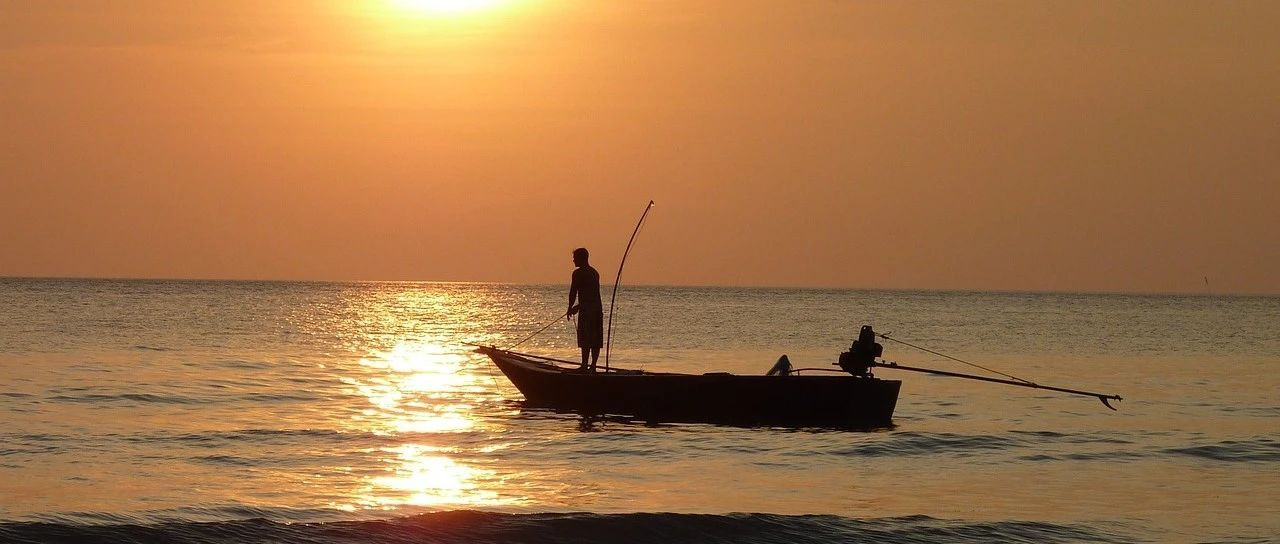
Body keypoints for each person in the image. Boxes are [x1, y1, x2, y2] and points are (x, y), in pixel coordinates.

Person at [567, 247, 604, 371]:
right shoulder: (594, 272)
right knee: (595, 339)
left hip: (587, 310)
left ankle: (584, 365)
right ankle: (592, 366)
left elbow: (573, 292)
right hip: (597, 309)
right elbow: (593, 295)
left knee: (586, 338)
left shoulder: (578, 274)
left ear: (582, 258)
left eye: (575, 258)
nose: (573, 260)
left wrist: (571, 307)